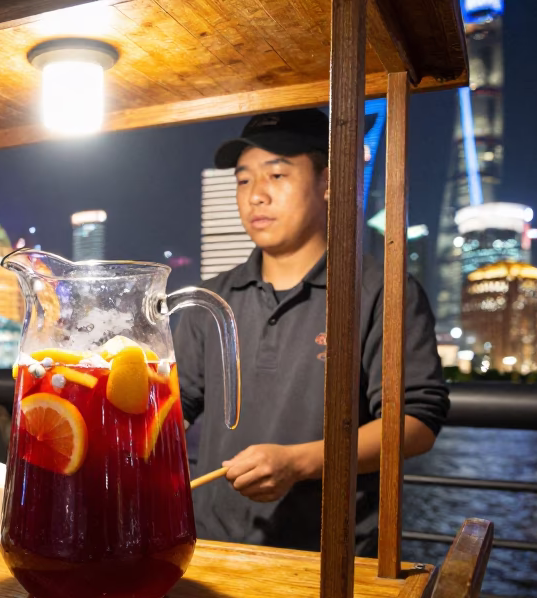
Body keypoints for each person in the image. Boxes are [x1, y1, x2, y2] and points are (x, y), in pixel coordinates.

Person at [173, 108, 449, 555]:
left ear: (329, 182)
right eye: (243, 181)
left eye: (277, 175)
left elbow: (415, 423)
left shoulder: (378, 291)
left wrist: (297, 463)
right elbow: (175, 404)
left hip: (329, 556)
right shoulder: (212, 297)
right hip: (210, 546)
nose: (256, 196)